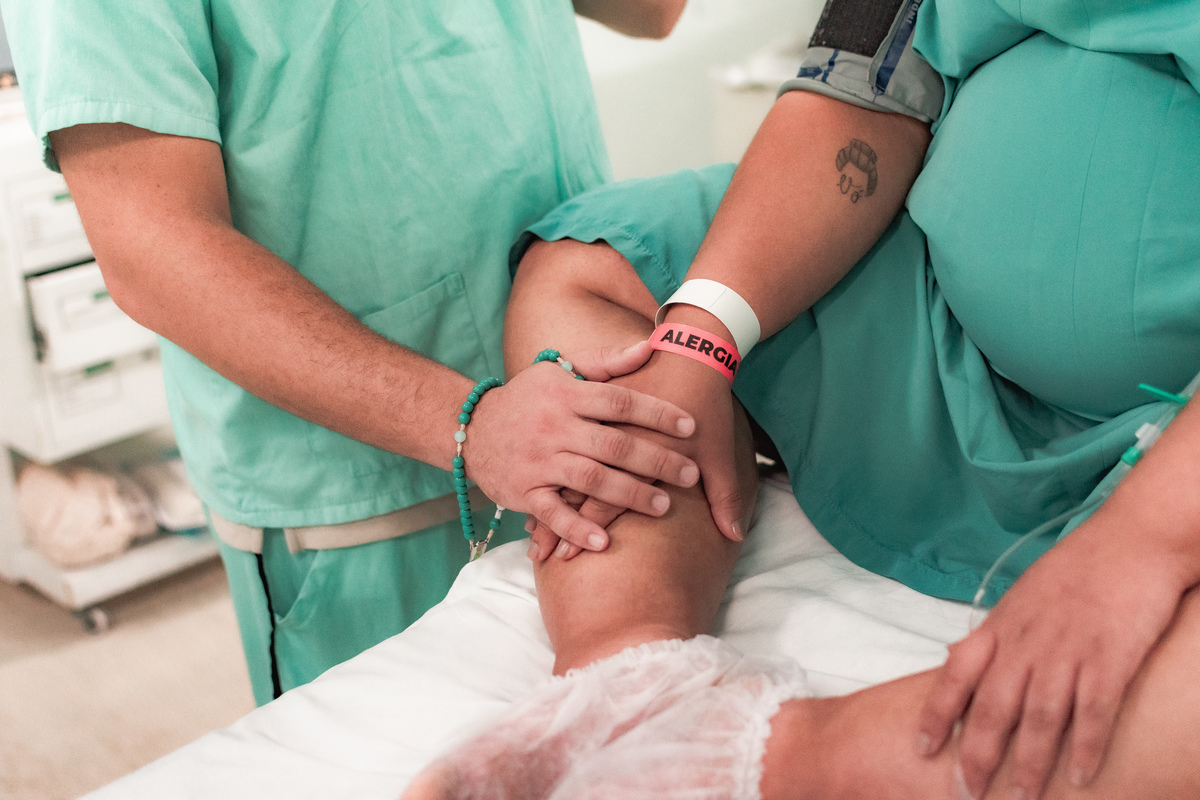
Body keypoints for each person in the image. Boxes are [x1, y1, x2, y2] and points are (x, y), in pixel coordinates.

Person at [404, 0, 1200, 797]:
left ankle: (761, 756)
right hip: (923, 317)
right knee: (590, 271)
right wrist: (701, 337)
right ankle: (625, 680)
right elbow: (860, 93)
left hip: (1173, 438)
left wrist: (1144, 540)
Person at [0, 0, 754, 707]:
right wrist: (471, 424)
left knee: (620, 727)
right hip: (366, 492)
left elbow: (653, 11)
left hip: (579, 398)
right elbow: (150, 248)